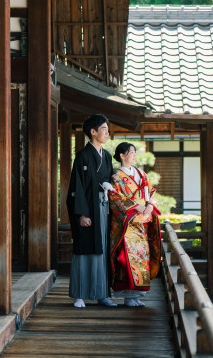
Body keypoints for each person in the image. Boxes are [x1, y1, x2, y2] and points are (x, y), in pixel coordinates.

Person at [66, 113, 118, 308]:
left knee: (102, 249)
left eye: (107, 129)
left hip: (103, 208)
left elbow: (112, 181)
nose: (107, 132)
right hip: (87, 208)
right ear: (93, 132)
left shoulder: (106, 156)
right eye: (103, 129)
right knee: (84, 248)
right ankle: (79, 294)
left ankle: (102, 293)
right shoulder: (82, 156)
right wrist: (82, 214)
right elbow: (76, 186)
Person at [108, 142, 163, 307]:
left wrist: (150, 205)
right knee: (127, 258)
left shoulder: (141, 173)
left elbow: (150, 191)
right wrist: (137, 206)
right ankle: (128, 296)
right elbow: (115, 197)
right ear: (122, 155)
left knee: (142, 257)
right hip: (127, 225)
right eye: (131, 152)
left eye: (134, 152)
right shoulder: (116, 176)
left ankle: (137, 294)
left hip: (142, 223)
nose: (134, 155)